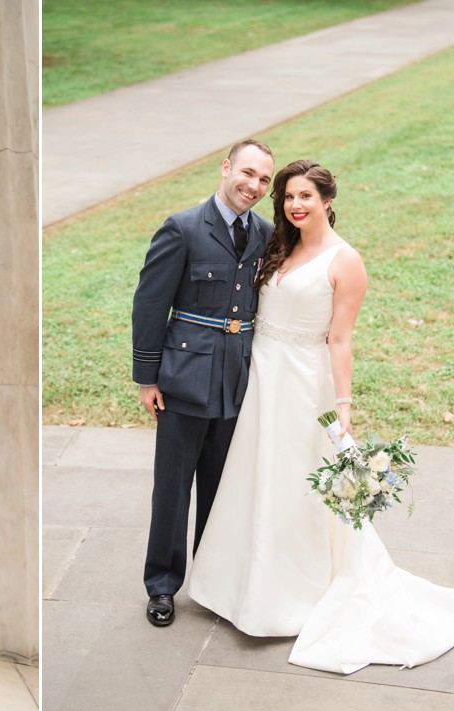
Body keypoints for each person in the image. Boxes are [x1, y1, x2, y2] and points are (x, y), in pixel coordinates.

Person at [187, 159, 454, 673]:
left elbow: (341, 338)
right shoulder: (279, 246)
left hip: (304, 383)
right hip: (262, 376)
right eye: (287, 197)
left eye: (305, 196)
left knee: (296, 484)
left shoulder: (345, 261)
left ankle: (291, 594)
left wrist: (343, 408)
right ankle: (236, 586)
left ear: (328, 200)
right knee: (255, 475)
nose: (295, 205)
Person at [132, 139, 275, 627]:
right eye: (248, 173)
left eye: (264, 180)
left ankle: (212, 584)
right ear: (226, 167)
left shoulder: (266, 234)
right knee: (172, 490)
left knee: (221, 488)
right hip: (184, 379)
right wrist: (146, 378)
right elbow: (150, 305)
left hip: (237, 381)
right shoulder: (183, 229)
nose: (254, 186)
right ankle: (162, 585)